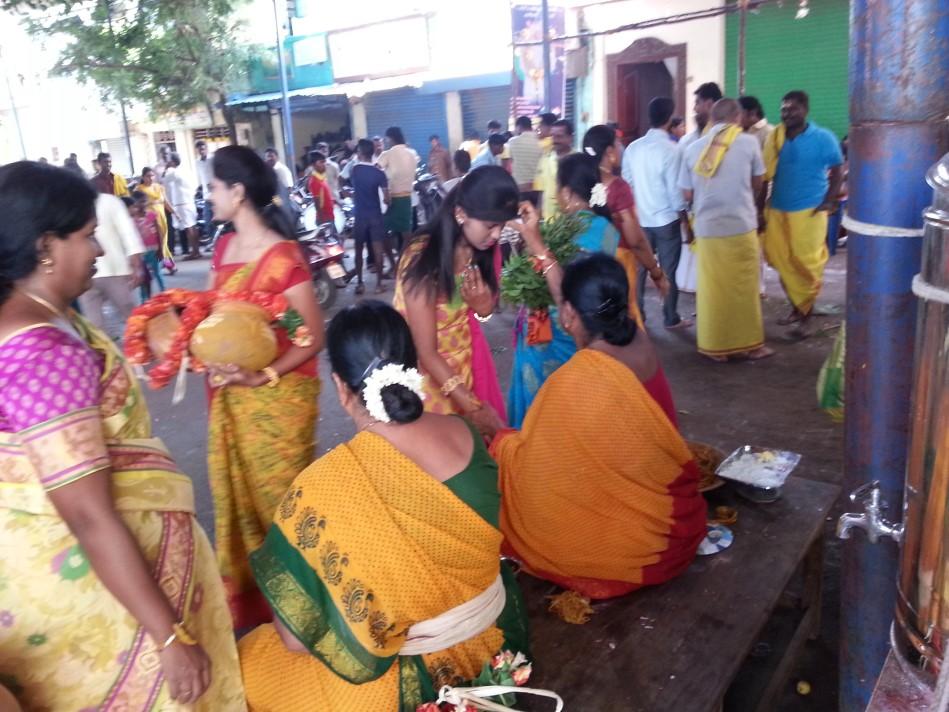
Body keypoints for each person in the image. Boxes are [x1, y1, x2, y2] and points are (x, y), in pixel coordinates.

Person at [0, 161, 245, 710]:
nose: (99, 251)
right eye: (87, 237)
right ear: (45, 247)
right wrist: (168, 637)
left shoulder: (42, 316)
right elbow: (87, 513)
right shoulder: (40, 351)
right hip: (102, 598)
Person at [237, 301, 529, 710]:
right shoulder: (467, 434)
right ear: (414, 368)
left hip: (408, 686)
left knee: (248, 663)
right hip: (498, 649)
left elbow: (295, 638)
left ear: (341, 388)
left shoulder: (324, 486)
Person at [492, 249, 705, 599]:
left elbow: (534, 465)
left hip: (630, 551)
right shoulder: (637, 336)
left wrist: (498, 436)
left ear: (569, 315)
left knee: (512, 461)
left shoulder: (579, 380)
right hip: (674, 522)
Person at [205, 145, 325, 628]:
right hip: (229, 397)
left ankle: (310, 606)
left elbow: (310, 335)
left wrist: (263, 374)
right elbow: (221, 316)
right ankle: (267, 606)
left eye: (213, 186)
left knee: (283, 507)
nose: (208, 195)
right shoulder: (222, 247)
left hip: (278, 401)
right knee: (240, 501)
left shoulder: (283, 258)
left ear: (237, 192)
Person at [393, 166, 515, 436]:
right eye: (491, 225)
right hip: (426, 377)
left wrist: (484, 312)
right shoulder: (422, 258)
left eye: (503, 226)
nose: (497, 235)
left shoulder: (482, 251)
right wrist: (473, 407)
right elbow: (426, 352)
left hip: (463, 370)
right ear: (461, 214)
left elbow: (479, 313)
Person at [508, 152, 620, 428]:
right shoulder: (607, 228)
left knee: (544, 392)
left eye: (558, 188)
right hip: (593, 324)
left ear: (568, 193)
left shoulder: (565, 231)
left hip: (555, 323)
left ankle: (536, 442)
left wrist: (535, 247)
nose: (556, 196)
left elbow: (561, 292)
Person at [678, 98, 775, 362]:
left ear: (712, 118)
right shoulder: (748, 142)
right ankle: (751, 346)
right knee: (744, 287)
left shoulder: (692, 147)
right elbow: (758, 182)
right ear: (738, 117)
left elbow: (686, 193)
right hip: (741, 224)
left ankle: (715, 348)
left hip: (708, 229)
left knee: (712, 290)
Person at [762, 90, 844, 334]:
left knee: (806, 263)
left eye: (793, 109)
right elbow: (765, 176)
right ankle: (798, 307)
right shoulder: (775, 137)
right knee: (781, 260)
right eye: (784, 109)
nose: (787, 114)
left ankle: (805, 313)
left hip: (809, 210)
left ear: (805, 110)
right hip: (777, 208)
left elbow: (838, 170)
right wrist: (760, 209)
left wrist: (830, 201)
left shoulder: (823, 137)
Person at [584, 124, 669, 329]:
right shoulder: (619, 187)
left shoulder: (584, 184)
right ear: (610, 152)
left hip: (590, 260)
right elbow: (636, 240)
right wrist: (655, 272)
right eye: (618, 143)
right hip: (619, 262)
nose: (622, 147)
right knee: (623, 318)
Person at [623, 97, 693, 329]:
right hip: (666, 220)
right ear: (670, 117)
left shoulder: (633, 148)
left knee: (641, 269)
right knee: (668, 270)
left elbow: (627, 183)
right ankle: (670, 317)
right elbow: (676, 194)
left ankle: (638, 315)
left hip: (640, 219)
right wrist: (686, 222)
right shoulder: (672, 150)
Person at [77, 190, 144, 336]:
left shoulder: (109, 201)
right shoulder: (107, 201)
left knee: (132, 318)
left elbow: (128, 232)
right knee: (96, 326)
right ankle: (106, 356)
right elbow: (128, 232)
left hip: (112, 269)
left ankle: (145, 352)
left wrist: (136, 262)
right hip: (89, 273)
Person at [350, 138, 397, 294]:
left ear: (360, 153)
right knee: (378, 249)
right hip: (375, 215)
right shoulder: (379, 173)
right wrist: (387, 200)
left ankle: (360, 283)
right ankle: (378, 285)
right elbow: (387, 199)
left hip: (360, 215)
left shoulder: (355, 170)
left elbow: (351, 186)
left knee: (358, 249)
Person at [377, 126, 419, 252]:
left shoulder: (387, 154)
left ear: (390, 138)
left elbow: (376, 172)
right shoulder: (412, 154)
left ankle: (395, 262)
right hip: (407, 198)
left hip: (391, 199)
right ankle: (408, 260)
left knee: (384, 232)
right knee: (406, 234)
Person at [137, 166, 176, 272]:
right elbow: (137, 205)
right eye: (148, 176)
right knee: (158, 243)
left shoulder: (159, 187)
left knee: (163, 241)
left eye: (152, 175)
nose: (151, 178)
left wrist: (175, 213)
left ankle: (164, 264)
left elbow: (166, 202)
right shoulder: (139, 189)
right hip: (150, 220)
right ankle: (168, 265)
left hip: (162, 217)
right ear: (143, 177)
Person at [535, 118, 575, 219]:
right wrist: (538, 213)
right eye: (552, 136)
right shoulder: (545, 159)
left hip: (572, 219)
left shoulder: (578, 160)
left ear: (570, 138)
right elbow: (541, 190)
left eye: (559, 136)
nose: (555, 140)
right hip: (548, 218)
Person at [164, 152, 201, 260]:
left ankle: (194, 252)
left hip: (182, 203)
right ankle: (196, 250)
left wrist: (167, 168)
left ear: (172, 162)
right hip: (190, 202)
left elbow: (164, 180)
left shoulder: (173, 172)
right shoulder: (186, 171)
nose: (167, 162)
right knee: (193, 227)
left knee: (189, 228)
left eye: (169, 160)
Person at [128, 191, 165, 300]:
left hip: (153, 249)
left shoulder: (152, 215)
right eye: (140, 202)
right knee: (144, 277)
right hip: (140, 253)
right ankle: (145, 300)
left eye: (144, 201)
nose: (143, 204)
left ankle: (165, 293)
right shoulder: (130, 220)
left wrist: (161, 249)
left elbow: (159, 232)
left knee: (158, 273)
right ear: (134, 204)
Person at [507, 115, 543, 202]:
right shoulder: (541, 141)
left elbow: (510, 163)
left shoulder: (512, 142)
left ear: (519, 127)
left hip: (520, 188)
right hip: (538, 188)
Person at [680, 82, 723, 151]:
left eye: (697, 103)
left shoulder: (727, 141)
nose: (694, 109)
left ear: (709, 104)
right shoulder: (686, 142)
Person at [307, 151, 336, 224]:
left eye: (325, 162)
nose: (324, 164)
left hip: (330, 216)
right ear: (313, 165)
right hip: (325, 219)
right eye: (321, 162)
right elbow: (317, 203)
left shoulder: (322, 177)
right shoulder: (314, 181)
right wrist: (323, 222)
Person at [194, 140, 214, 237]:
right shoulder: (197, 162)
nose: (201, 151)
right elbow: (200, 177)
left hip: (217, 195)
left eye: (203, 149)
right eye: (199, 150)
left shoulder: (213, 159)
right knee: (208, 220)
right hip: (206, 196)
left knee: (218, 220)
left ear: (206, 148)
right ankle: (212, 242)